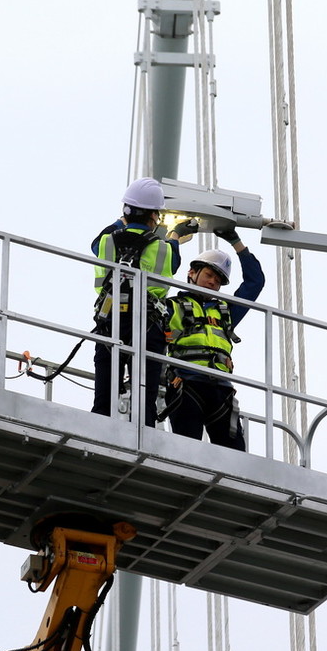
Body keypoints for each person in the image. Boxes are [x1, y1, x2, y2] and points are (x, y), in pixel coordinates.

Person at [90, 177, 195, 426]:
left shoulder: (106, 241)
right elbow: (173, 262)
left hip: (110, 320)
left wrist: (122, 221)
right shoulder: (162, 248)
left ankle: (96, 434)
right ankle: (143, 435)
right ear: (154, 217)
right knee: (145, 399)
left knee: (103, 397)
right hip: (148, 327)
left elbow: (96, 244)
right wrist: (175, 234)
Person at [163, 227, 265, 450]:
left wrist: (235, 242)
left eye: (218, 280)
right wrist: (175, 238)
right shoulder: (171, 307)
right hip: (186, 384)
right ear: (192, 273)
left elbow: (254, 283)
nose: (213, 283)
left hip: (220, 389)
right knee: (187, 451)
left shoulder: (225, 311)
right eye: (209, 275)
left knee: (235, 456)